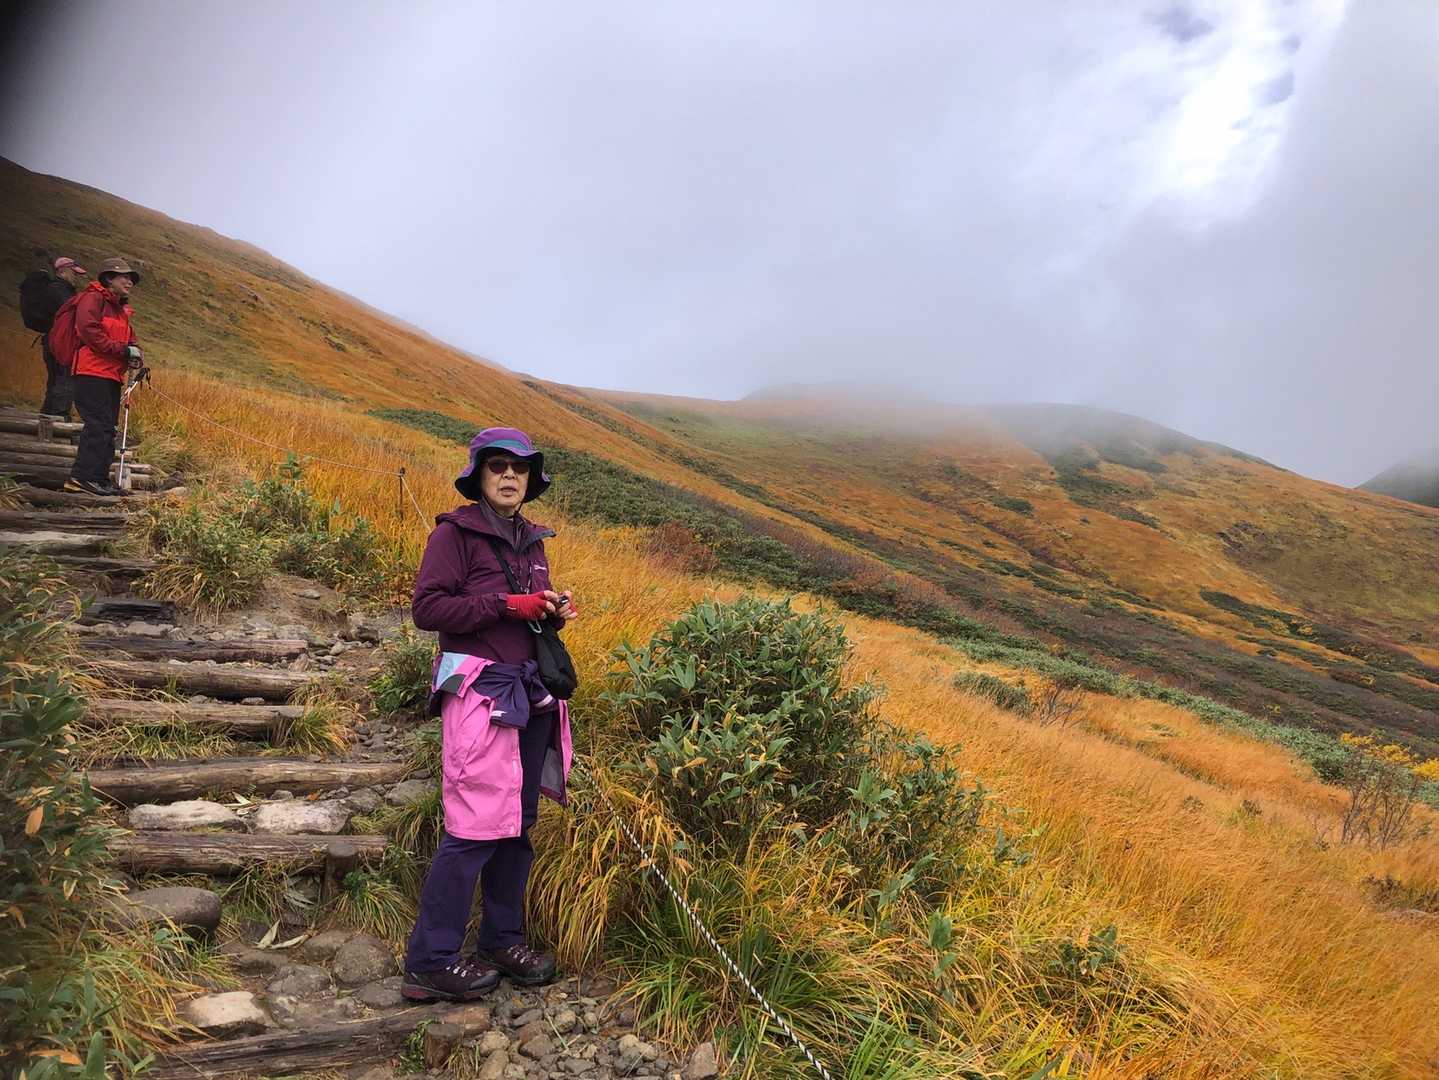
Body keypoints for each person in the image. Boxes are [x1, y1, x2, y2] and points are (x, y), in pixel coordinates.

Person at [402, 427, 579, 1002]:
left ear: (531, 479)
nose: (509, 475)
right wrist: (507, 604)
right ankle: (430, 961)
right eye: (498, 465)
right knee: (473, 827)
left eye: (520, 468)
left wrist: (549, 611)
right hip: (480, 696)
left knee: (517, 825)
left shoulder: (532, 540)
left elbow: (522, 614)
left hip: (528, 696)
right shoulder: (453, 535)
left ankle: (502, 941)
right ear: (478, 474)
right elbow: (428, 609)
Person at [61, 257, 144, 497]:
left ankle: (98, 478)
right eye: (124, 277)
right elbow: (89, 332)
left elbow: (130, 340)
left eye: (131, 278)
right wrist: (123, 351)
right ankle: (82, 477)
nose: (129, 282)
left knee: (108, 428)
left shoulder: (119, 308)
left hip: (110, 375)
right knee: (98, 425)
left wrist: (135, 354)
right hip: (90, 372)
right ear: (109, 278)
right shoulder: (92, 298)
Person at [17, 256, 88, 418]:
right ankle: (59, 420)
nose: (77, 277)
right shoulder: (59, 290)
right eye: (74, 273)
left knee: (55, 381)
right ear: (62, 271)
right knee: (65, 380)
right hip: (61, 342)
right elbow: (73, 314)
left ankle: (46, 420)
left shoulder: (57, 290)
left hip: (52, 341)